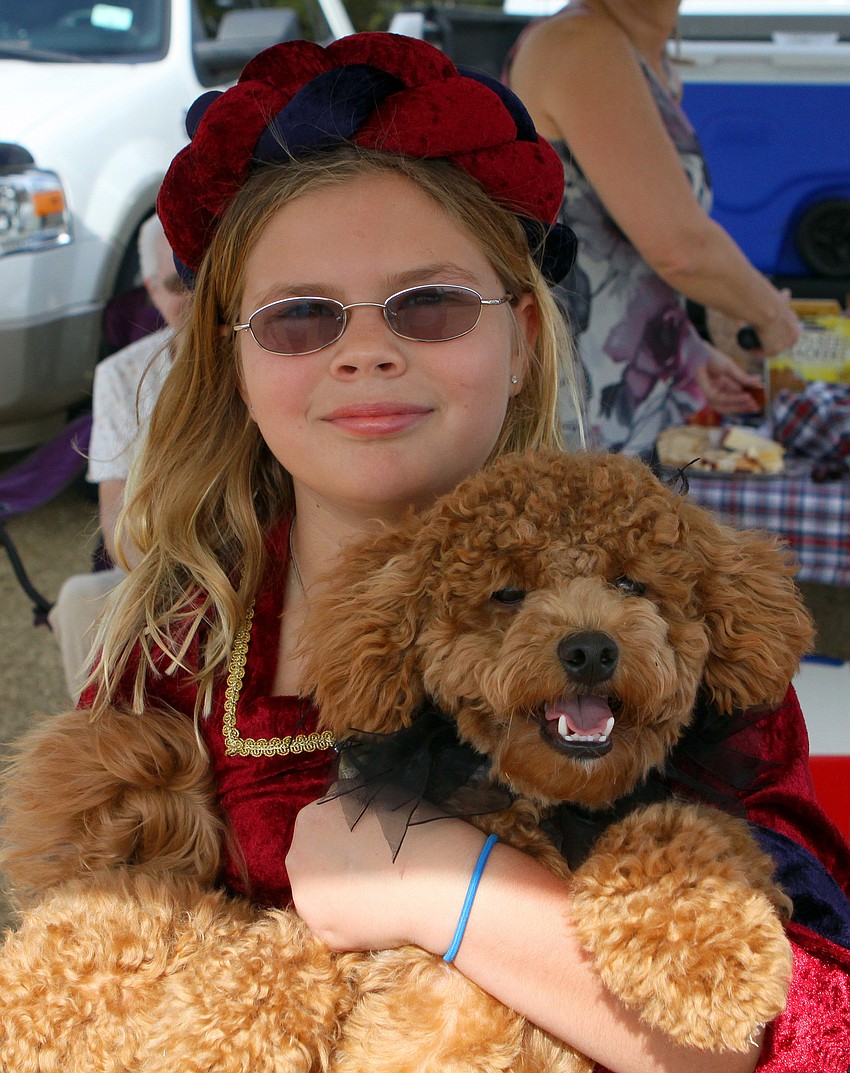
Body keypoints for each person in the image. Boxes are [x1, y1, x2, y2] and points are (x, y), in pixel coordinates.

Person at [62, 33, 848, 1073]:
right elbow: (93, 985)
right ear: (234, 361)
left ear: (521, 333)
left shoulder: (667, 625)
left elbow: (808, 1025)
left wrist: (451, 886)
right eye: (301, 318)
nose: (367, 349)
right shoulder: (177, 649)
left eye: (427, 305)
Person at [507, 0, 802, 457]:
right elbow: (679, 247)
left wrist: (688, 350)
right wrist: (773, 316)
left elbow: (623, 250)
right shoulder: (583, 44)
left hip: (619, 397)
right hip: (579, 404)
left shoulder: (640, 51)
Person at [48, 214, 190, 701]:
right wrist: (172, 586)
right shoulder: (123, 376)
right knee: (78, 601)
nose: (192, 299)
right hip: (166, 567)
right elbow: (117, 519)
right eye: (177, 285)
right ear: (151, 289)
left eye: (202, 278)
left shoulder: (264, 353)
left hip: (264, 554)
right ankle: (110, 756)